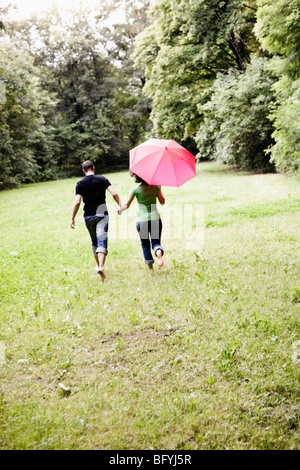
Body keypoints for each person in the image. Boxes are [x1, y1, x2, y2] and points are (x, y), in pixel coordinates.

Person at [70, 160, 121, 281]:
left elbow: (77, 201)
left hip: (88, 216)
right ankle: (101, 267)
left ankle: (98, 266)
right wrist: (120, 205)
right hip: (102, 214)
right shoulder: (102, 179)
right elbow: (114, 193)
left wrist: (72, 218)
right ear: (94, 168)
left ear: (83, 170)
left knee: (94, 242)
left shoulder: (80, 183)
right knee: (102, 241)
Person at [118, 173, 165, 271]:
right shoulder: (155, 187)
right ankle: (159, 256)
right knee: (156, 243)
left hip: (142, 221)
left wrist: (120, 210)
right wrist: (159, 188)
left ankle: (151, 269)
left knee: (145, 244)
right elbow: (162, 202)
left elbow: (127, 205)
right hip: (155, 219)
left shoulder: (135, 189)